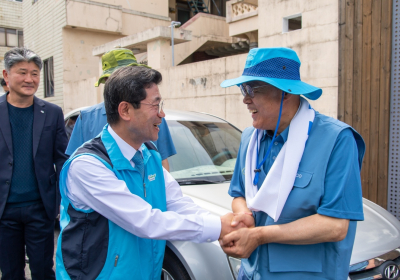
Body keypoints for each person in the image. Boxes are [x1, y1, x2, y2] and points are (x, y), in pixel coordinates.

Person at [55, 65, 254, 279]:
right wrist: (218, 227)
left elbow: (176, 203)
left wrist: (227, 223)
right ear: (125, 110)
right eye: (155, 105)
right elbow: (145, 221)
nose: (162, 114)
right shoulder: (88, 166)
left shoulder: (149, 153)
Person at [219, 48, 365, 280]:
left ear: (285, 92)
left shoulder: (336, 140)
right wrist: (244, 214)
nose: (245, 99)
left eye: (251, 89)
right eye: (242, 89)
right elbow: (239, 194)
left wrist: (259, 236)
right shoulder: (250, 138)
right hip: (252, 271)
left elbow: (336, 226)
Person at [0, 47, 68, 279]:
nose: (30, 79)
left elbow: (62, 158)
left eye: (35, 73)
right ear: (6, 75)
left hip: (40, 208)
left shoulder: (51, 112)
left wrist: (60, 201)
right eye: (22, 72)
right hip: (4, 210)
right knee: (10, 272)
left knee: (42, 269)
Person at [66, 48, 176, 171]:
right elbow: (76, 164)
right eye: (119, 79)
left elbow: (162, 163)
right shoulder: (86, 118)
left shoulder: (155, 117)